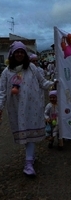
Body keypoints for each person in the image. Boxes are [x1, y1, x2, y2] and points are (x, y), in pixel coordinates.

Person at [0, 41, 56, 176]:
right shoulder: (7, 72)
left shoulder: (31, 67)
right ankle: (30, 157)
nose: (19, 54)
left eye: (22, 52)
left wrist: (56, 83)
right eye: (17, 52)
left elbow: (43, 83)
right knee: (26, 134)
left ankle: (28, 163)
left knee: (30, 136)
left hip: (33, 107)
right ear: (12, 54)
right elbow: (2, 92)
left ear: (25, 54)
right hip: (17, 109)